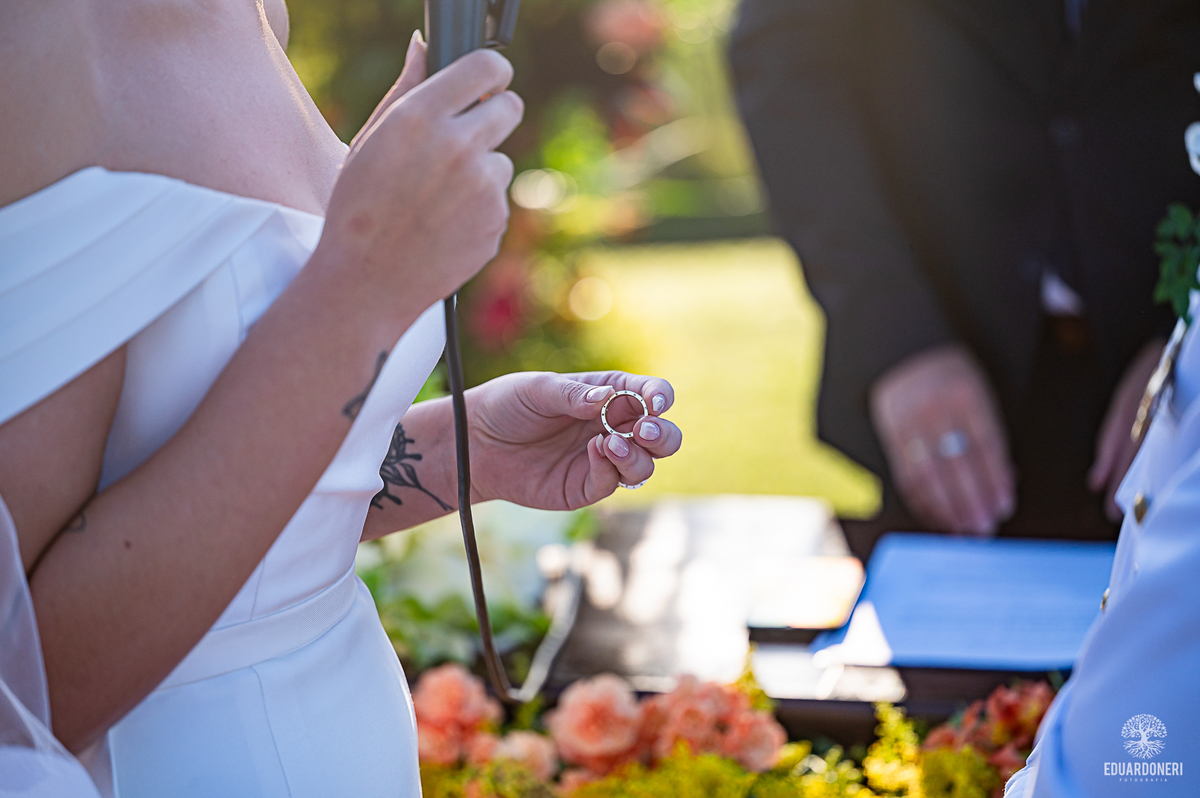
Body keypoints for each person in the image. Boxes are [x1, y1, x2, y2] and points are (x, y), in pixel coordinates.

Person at [0, 1, 682, 794]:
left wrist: (459, 454)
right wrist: (360, 292)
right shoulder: (32, 32)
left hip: (349, 727)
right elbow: (30, 680)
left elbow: (225, 520)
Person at [729, 0, 1200, 557]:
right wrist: (897, 334)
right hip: (943, 364)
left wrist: (1190, 336)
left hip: (1175, 377)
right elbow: (785, 62)